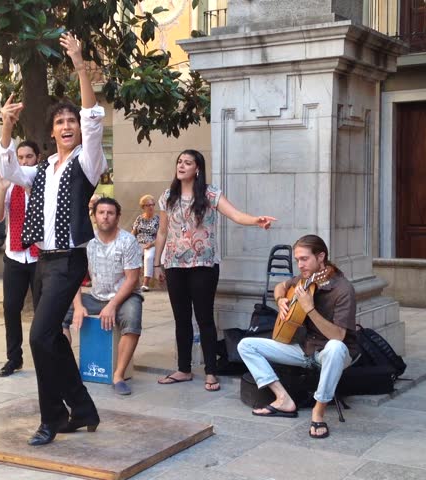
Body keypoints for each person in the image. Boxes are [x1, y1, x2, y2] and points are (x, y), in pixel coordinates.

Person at [0, 32, 103, 446]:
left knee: (39, 337)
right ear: (52, 132)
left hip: (69, 261)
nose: (67, 126)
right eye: (60, 122)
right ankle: (84, 407)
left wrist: (79, 64)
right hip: (42, 261)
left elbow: (94, 118)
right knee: (52, 337)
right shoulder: (40, 170)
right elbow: (8, 169)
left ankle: (53, 417)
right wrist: (7, 124)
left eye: (71, 121)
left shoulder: (88, 162)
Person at [153, 149, 276, 393]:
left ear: (197, 168)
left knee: (205, 318)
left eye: (187, 162)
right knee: (181, 319)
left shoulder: (210, 194)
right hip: (175, 265)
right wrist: (157, 263)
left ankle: (211, 371)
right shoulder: (168, 196)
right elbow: (162, 232)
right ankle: (183, 369)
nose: (182, 165)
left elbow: (235, 214)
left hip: (204, 265)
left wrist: (255, 220)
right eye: (179, 161)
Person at [237, 235, 358, 440]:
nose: (300, 265)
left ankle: (318, 412)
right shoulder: (305, 278)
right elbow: (280, 285)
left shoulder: (343, 289)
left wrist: (310, 309)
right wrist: (280, 299)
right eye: (297, 260)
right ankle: (283, 399)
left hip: (332, 353)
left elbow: (338, 335)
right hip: (305, 349)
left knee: (335, 347)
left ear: (321, 257)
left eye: (304, 259)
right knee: (246, 345)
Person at [62, 198, 143, 396]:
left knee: (132, 320)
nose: (105, 216)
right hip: (96, 296)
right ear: (95, 216)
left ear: (118, 217)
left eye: (110, 213)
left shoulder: (128, 241)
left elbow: (132, 279)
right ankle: (67, 370)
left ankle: (118, 376)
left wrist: (113, 305)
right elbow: (74, 278)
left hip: (124, 296)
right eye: (101, 212)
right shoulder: (87, 242)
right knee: (58, 314)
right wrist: (79, 306)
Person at [0, 140, 41, 378]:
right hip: (14, 255)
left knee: (43, 312)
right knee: (11, 308)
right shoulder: (10, 187)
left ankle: (46, 358)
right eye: (19, 158)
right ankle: (14, 358)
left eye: (28, 157)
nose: (23, 162)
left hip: (39, 256)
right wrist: (2, 189)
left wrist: (31, 190)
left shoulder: (43, 183)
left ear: (37, 159)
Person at [131, 194, 158, 291]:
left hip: (152, 243)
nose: (151, 207)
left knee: (148, 257)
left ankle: (145, 284)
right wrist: (130, 242)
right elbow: (134, 232)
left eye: (152, 204)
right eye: (148, 205)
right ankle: (131, 282)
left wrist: (151, 244)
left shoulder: (157, 219)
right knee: (132, 255)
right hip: (138, 243)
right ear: (143, 207)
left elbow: (161, 236)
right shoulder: (139, 218)